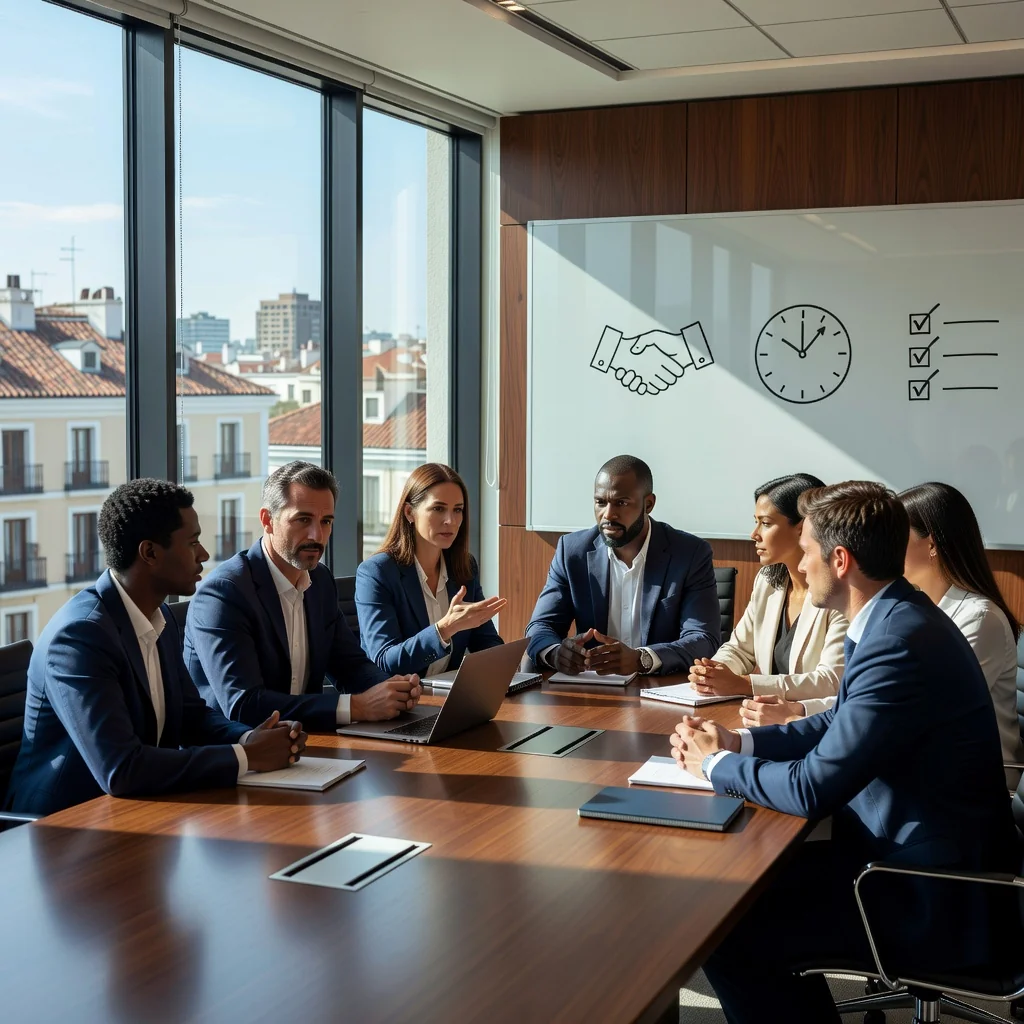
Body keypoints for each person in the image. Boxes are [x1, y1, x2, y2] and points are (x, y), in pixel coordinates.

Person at [671, 481, 1019, 1023]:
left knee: (723, 928)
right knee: (733, 894)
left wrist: (714, 765)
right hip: (901, 852)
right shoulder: (891, 616)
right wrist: (742, 741)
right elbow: (839, 720)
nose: (800, 566)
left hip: (926, 891)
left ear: (840, 559)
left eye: (807, 551)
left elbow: (813, 788)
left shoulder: (898, 637)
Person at [6, 480, 305, 815]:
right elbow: (122, 769)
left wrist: (248, 738)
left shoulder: (158, 615)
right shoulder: (80, 637)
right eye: (192, 543)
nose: (204, 555)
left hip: (138, 810)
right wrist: (246, 757)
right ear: (149, 552)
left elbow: (191, 716)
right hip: (62, 828)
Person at [184, 461, 422, 732]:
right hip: (235, 756)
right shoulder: (225, 592)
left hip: (305, 744)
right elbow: (244, 705)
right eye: (303, 520)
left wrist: (393, 690)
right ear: (267, 520)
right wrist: (356, 706)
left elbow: (350, 666)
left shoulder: (320, 581)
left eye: (326, 521)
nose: (317, 535)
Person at [526, 455, 720, 676]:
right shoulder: (572, 552)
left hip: (660, 689)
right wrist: (555, 653)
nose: (608, 514)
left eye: (622, 502)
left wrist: (642, 659)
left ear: (648, 504)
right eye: (600, 502)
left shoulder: (689, 554)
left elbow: (703, 638)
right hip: (593, 691)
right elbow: (540, 627)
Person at [687, 474, 847, 726]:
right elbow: (740, 648)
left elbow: (831, 680)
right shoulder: (768, 580)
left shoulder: (838, 589)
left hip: (811, 725)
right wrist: (713, 671)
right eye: (755, 522)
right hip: (764, 720)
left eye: (766, 523)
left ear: (802, 526)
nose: (754, 534)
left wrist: (745, 684)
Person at [900, 481, 1024, 781]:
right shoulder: (915, 607)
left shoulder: (980, 618)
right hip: (932, 767)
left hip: (975, 782)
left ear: (931, 544)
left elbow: (928, 710)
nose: (885, 549)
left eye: (896, 538)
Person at [356, 463, 506, 678]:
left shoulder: (464, 566)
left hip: (449, 698)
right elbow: (385, 660)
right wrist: (444, 629)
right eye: (438, 508)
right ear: (410, 512)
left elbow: (484, 640)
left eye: (458, 510)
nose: (450, 521)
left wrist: (507, 662)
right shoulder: (377, 572)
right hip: (399, 701)